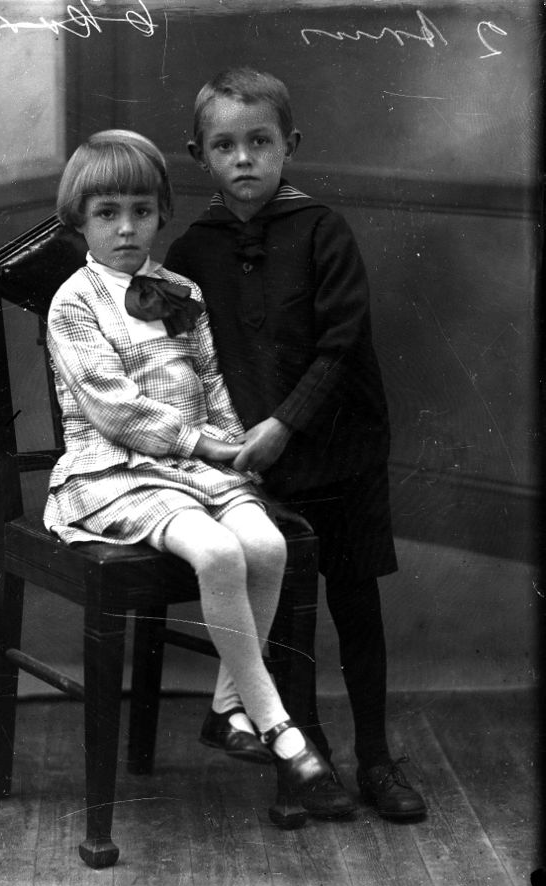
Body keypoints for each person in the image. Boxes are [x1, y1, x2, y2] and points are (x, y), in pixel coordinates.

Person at [43, 128, 332, 819]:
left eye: (141, 211)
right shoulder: (73, 304)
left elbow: (212, 383)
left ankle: (226, 707)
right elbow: (116, 411)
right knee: (217, 550)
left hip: (197, 463)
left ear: (161, 213)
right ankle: (278, 727)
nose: (126, 228)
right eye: (107, 213)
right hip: (116, 470)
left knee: (266, 544)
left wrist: (231, 445)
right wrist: (207, 445)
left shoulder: (180, 291)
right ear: (79, 219)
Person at [164, 68, 427, 826]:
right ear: (199, 156)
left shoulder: (322, 230)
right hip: (259, 466)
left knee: (355, 601)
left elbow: (341, 345)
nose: (243, 158)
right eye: (224, 146)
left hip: (341, 450)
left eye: (260, 141)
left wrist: (283, 424)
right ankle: (306, 760)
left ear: (290, 145)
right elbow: (182, 359)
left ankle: (376, 756)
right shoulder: (192, 251)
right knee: (285, 615)